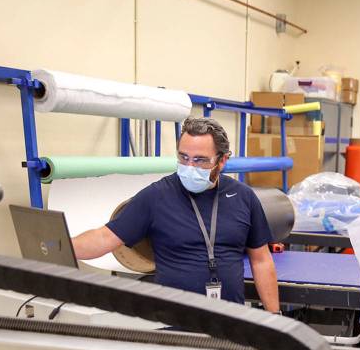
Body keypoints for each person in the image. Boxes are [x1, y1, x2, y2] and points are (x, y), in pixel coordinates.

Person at [71, 117, 280, 311]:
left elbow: (261, 260)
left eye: (200, 160)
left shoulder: (243, 196)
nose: (190, 167)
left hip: (231, 323)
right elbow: (104, 237)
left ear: (222, 160)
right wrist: (57, 244)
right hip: (173, 323)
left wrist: (275, 317)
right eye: (184, 157)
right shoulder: (156, 196)